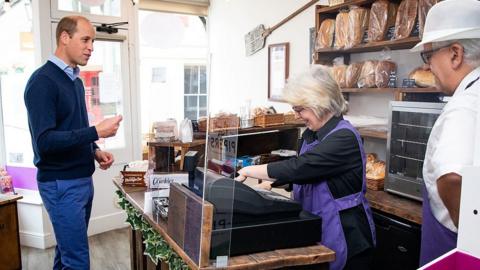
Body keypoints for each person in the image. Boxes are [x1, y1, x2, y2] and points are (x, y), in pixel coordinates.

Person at [236, 65, 376, 270]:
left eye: (300, 109)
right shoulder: (311, 135)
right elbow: (310, 176)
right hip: (315, 225)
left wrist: (249, 170)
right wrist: (273, 185)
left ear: (320, 103)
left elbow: (300, 167)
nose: (297, 115)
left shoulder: (344, 137)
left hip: (346, 234)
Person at [24, 16, 123, 269]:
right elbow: (44, 141)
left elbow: (74, 128)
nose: (91, 47)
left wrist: (95, 150)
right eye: (86, 39)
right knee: (77, 260)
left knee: (67, 253)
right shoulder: (42, 82)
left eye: (93, 41)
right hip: (61, 184)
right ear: (65, 38)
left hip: (81, 181)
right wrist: (94, 132)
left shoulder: (76, 82)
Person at [410, 0, 480, 266]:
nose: (428, 67)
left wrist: (471, 244)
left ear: (455, 54)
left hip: (451, 249)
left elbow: (452, 177)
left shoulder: (463, 106)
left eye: (429, 56)